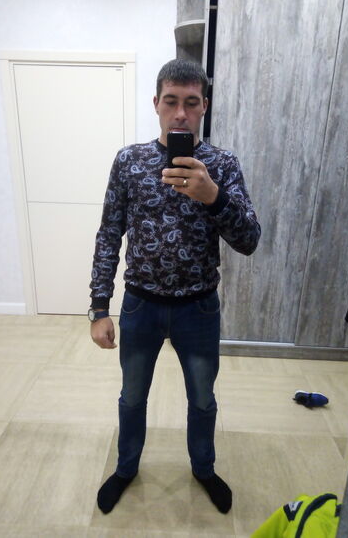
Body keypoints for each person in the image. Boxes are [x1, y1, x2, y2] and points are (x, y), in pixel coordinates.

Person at [89, 58, 261, 514]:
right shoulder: (129, 161)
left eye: (190, 102)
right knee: (132, 397)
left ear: (204, 106)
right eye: (171, 102)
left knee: (202, 399)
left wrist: (213, 196)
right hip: (140, 305)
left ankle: (203, 469)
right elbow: (109, 233)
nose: (180, 113)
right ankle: (126, 468)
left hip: (198, 309)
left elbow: (249, 240)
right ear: (156, 104)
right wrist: (99, 308)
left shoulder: (222, 164)